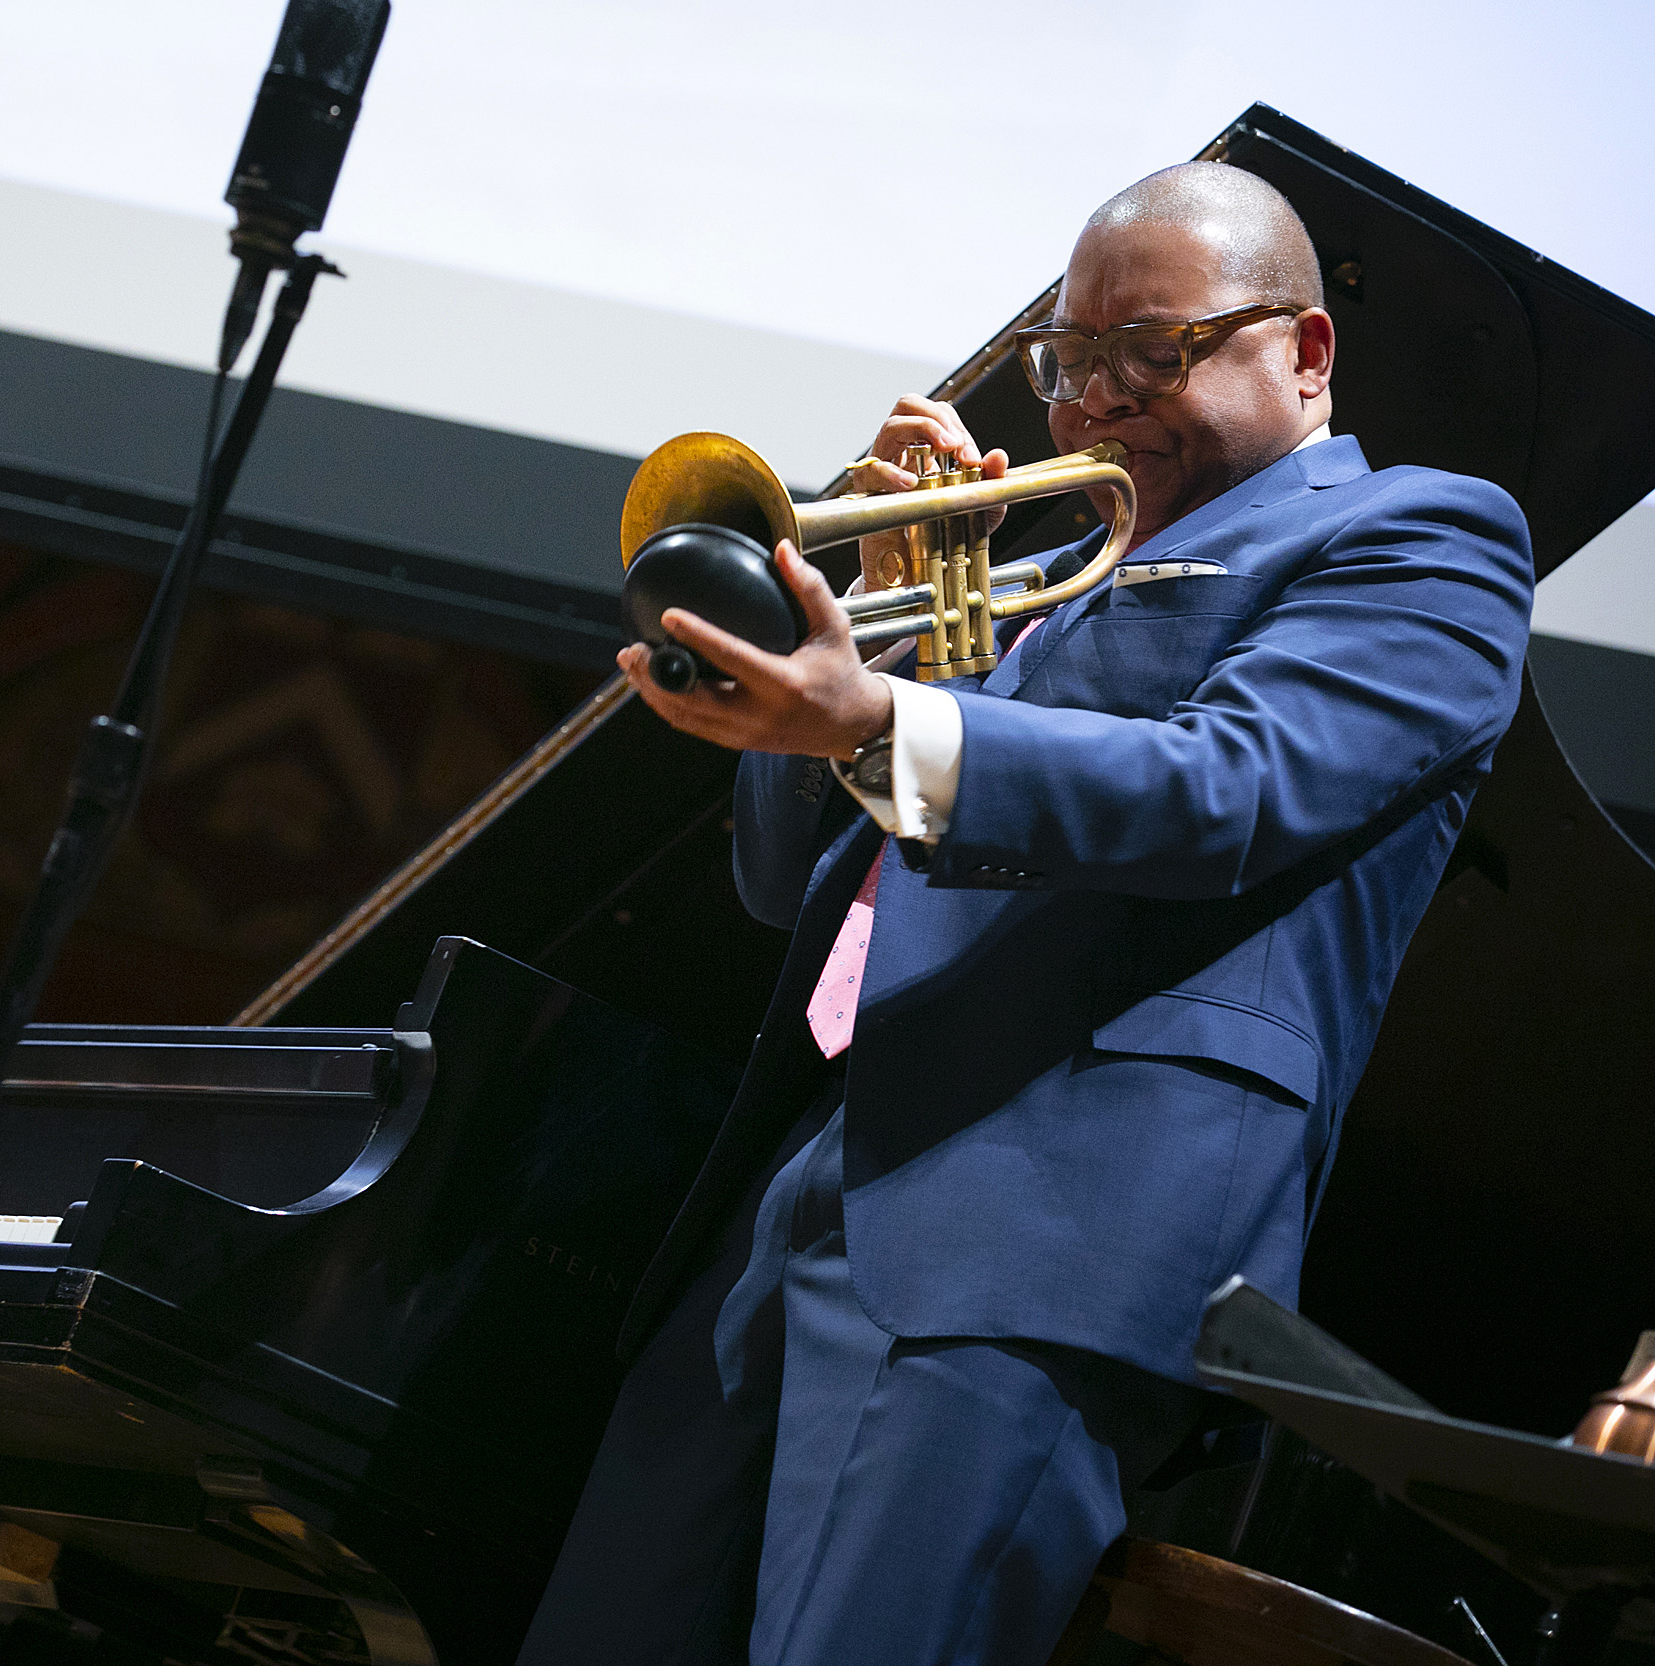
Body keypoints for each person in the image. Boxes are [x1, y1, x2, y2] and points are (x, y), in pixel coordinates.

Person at [516, 163, 1535, 1665]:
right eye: (1072, 362)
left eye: (1155, 351)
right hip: (803, 1184)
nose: (1099, 397)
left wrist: (881, 726)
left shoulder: (1423, 539)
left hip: (1037, 1233)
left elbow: (1226, 788)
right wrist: (866, 629)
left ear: (1307, 353)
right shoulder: (1031, 578)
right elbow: (789, 881)